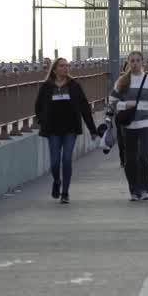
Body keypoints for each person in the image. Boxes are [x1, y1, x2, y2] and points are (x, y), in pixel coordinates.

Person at [34, 58, 99, 204]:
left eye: (67, 66)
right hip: (53, 130)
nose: (65, 68)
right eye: (62, 66)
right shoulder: (47, 87)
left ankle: (65, 192)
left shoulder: (74, 86)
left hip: (70, 129)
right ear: (55, 69)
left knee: (67, 159)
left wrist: (92, 130)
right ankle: (57, 181)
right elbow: (38, 106)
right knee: (55, 162)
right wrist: (41, 120)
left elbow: (84, 108)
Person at [106, 51, 148, 202]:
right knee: (130, 159)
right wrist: (125, 104)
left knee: (144, 155)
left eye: (138, 60)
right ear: (128, 63)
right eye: (132, 61)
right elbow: (112, 101)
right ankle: (134, 190)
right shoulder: (122, 81)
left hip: (146, 123)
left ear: (142, 62)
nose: (135, 63)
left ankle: (145, 189)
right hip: (129, 124)